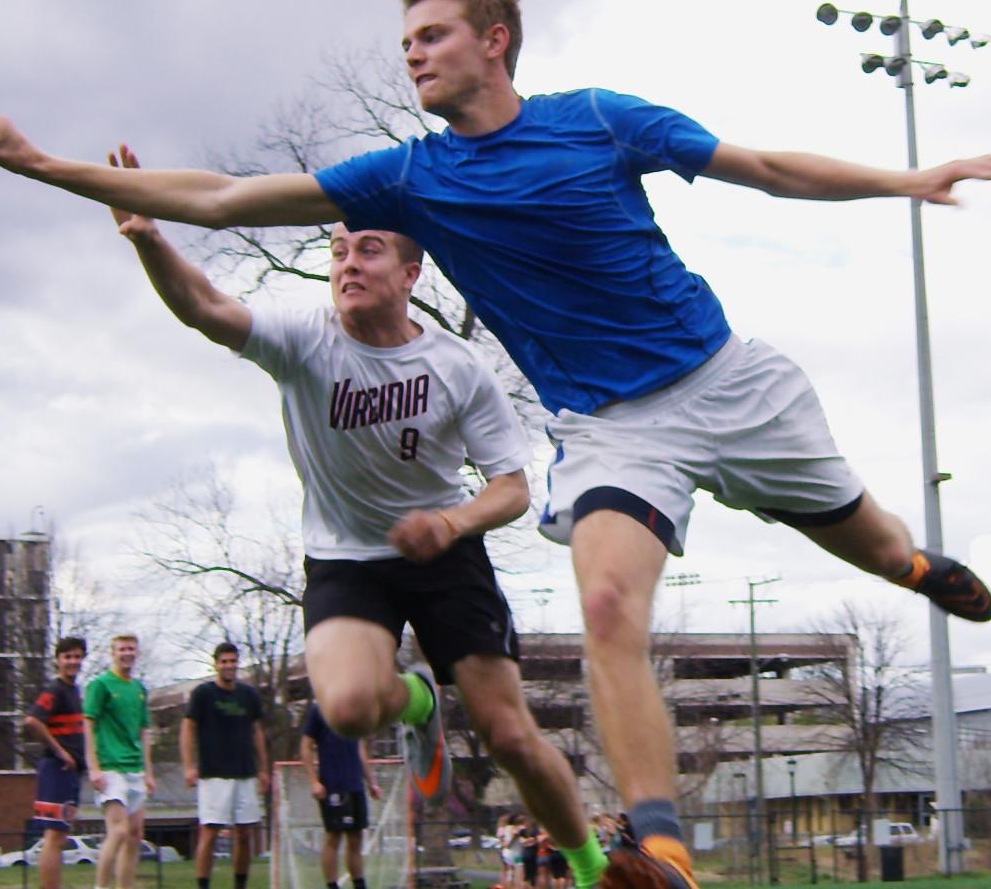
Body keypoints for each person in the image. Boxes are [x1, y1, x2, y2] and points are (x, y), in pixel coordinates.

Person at [0, 0, 991, 889]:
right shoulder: (413, 178)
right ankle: (660, 852)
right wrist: (49, 167)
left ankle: (915, 568)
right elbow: (224, 198)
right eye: (407, 43)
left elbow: (769, 169)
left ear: (493, 40)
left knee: (875, 545)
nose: (414, 54)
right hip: (611, 430)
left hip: (730, 385)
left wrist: (906, 179)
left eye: (431, 36)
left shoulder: (600, 120)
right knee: (606, 601)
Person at [102, 171, 611, 887]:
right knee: (343, 710)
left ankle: (594, 871)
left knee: (509, 736)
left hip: (445, 556)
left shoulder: (456, 366)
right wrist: (150, 237)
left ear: (410, 272)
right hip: (346, 559)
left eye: (367, 251)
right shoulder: (302, 341)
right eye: (337, 251)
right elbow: (204, 305)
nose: (347, 265)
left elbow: (513, 489)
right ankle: (418, 698)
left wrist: (450, 521)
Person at [183, 642, 270, 889]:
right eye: (224, 662)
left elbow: (257, 731)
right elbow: (188, 729)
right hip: (214, 774)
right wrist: (189, 766)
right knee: (209, 832)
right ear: (216, 664)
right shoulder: (203, 694)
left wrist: (263, 769)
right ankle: (203, 884)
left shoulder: (248, 695)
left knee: (245, 833)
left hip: (245, 772)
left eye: (233, 661)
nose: (229, 666)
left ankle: (240, 884)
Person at [83, 634, 153, 889]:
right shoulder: (100, 685)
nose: (127, 653)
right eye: (122, 649)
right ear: (112, 653)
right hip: (110, 768)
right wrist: (93, 767)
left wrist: (148, 771)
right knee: (119, 830)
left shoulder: (139, 690)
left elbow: (144, 732)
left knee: (134, 835)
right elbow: (88, 724)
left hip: (134, 768)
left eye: (131, 649)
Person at [22, 636, 88, 889]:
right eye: (67, 657)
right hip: (56, 770)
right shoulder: (55, 690)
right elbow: (32, 721)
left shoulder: (75, 692)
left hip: (71, 772)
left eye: (77, 656)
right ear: (58, 660)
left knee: (61, 836)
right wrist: (60, 752)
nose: (73, 661)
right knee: (54, 836)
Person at [301, 703, 383, 889]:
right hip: (333, 785)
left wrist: (371, 781)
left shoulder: (355, 709)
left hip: (355, 785)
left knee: (356, 837)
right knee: (334, 836)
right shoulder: (319, 709)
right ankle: (332, 885)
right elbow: (306, 745)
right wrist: (314, 781)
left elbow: (359, 747)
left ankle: (359, 884)